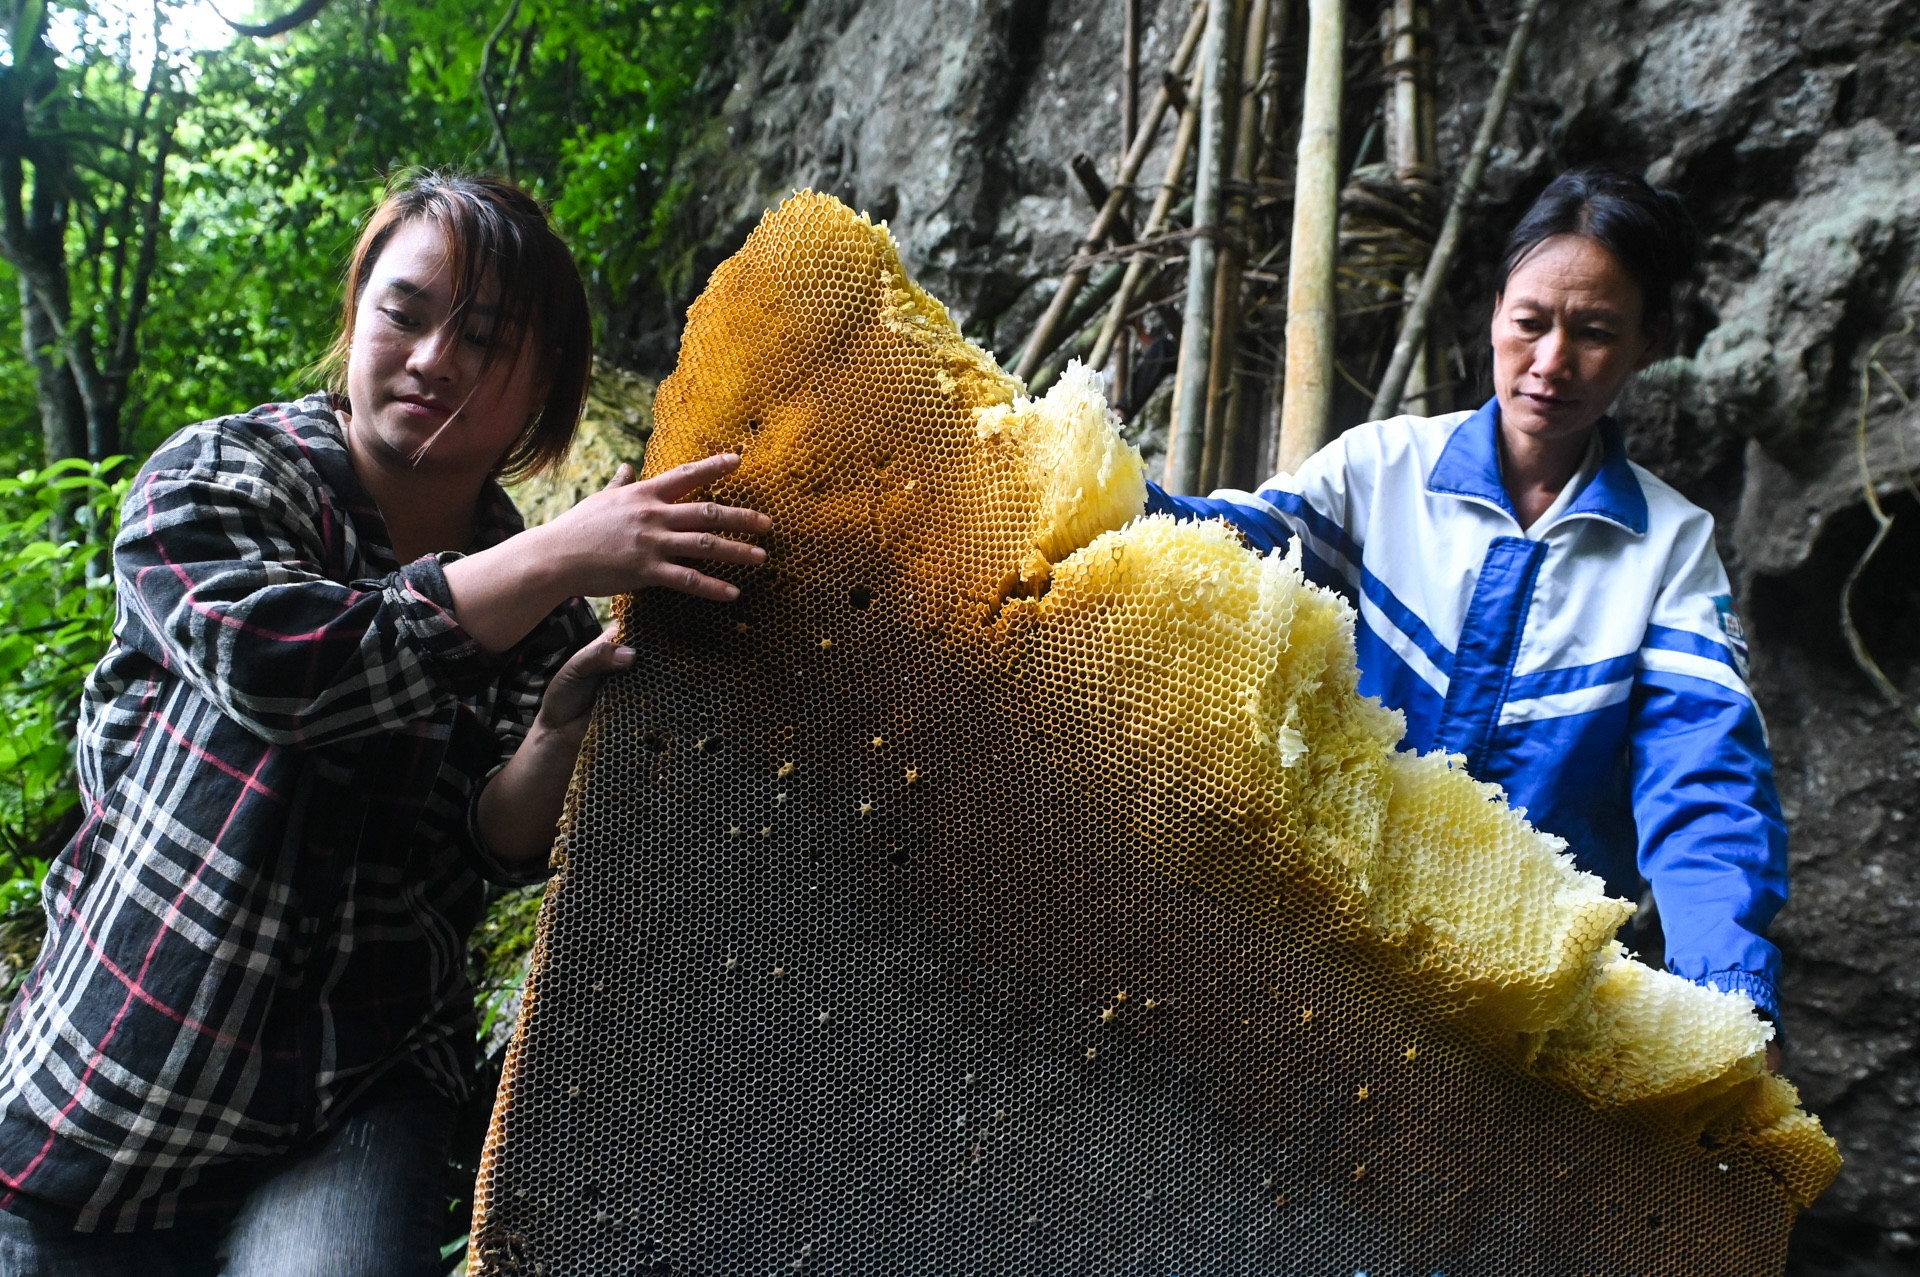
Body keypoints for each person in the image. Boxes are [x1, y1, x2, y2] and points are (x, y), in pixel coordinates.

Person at [0, 171, 769, 1274]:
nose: (434, 358)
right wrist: (559, 552)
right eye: (405, 311)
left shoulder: (550, 617)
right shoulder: (223, 475)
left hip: (350, 1092)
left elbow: (484, 846)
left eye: (487, 339)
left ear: (543, 383)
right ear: (359, 311)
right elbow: (284, 667)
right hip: (117, 1074)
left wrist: (554, 738)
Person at [1146, 168, 1788, 1039]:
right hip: (1316, 934)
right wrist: (1088, 488)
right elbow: (1226, 545)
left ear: (1649, 341)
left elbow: (1702, 781)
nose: (1552, 362)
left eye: (1596, 332)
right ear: (1494, 313)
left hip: (1525, 1008)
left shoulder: (1669, 550)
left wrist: (1732, 994)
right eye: (1530, 323)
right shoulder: (1384, 469)